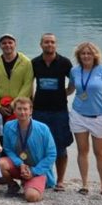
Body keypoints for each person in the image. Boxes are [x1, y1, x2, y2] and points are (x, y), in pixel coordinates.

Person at [69, 42, 102, 197]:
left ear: (95, 55)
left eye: (89, 53)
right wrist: (51, 97)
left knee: (100, 153)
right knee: (82, 151)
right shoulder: (75, 71)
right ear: (79, 56)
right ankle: (84, 184)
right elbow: (70, 90)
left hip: (99, 116)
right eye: (83, 53)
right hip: (78, 115)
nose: (86, 56)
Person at [31, 33, 74, 191]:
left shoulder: (64, 62)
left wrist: (67, 92)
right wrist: (30, 100)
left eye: (52, 42)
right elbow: (30, 82)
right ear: (41, 44)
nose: (49, 45)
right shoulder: (35, 63)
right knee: (38, 145)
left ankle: (60, 180)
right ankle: (41, 176)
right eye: (46, 42)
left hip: (59, 110)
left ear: (56, 45)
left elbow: (74, 80)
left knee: (60, 146)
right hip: (39, 110)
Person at [0, 97, 56, 202]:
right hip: (19, 166)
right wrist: (19, 163)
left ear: (31, 110)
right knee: (0, 163)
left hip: (36, 169)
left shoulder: (43, 129)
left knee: (31, 197)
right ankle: (13, 186)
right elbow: (7, 149)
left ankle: (32, 185)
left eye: (25, 109)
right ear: (14, 111)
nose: (22, 112)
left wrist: (33, 172)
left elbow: (51, 154)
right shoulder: (8, 126)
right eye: (19, 109)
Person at [0, 34, 34, 122]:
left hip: (21, 108)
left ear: (15, 44)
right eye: (4, 43)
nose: (7, 45)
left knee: (18, 133)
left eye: (10, 42)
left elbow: (27, 85)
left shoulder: (26, 62)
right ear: (0, 46)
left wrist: (14, 104)